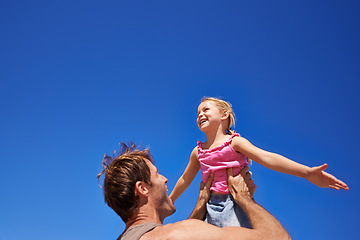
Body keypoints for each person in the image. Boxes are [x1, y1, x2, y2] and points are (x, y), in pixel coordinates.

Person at [169, 97, 349, 228]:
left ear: (224, 115)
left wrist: (306, 172)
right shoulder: (198, 151)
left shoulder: (234, 142)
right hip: (210, 206)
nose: (200, 114)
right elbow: (185, 178)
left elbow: (267, 157)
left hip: (236, 203)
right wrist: (170, 200)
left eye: (206, 110)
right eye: (198, 113)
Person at [97, 142, 290, 240]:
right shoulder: (175, 235)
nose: (165, 179)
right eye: (157, 174)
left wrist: (200, 206)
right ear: (142, 188)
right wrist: (246, 199)